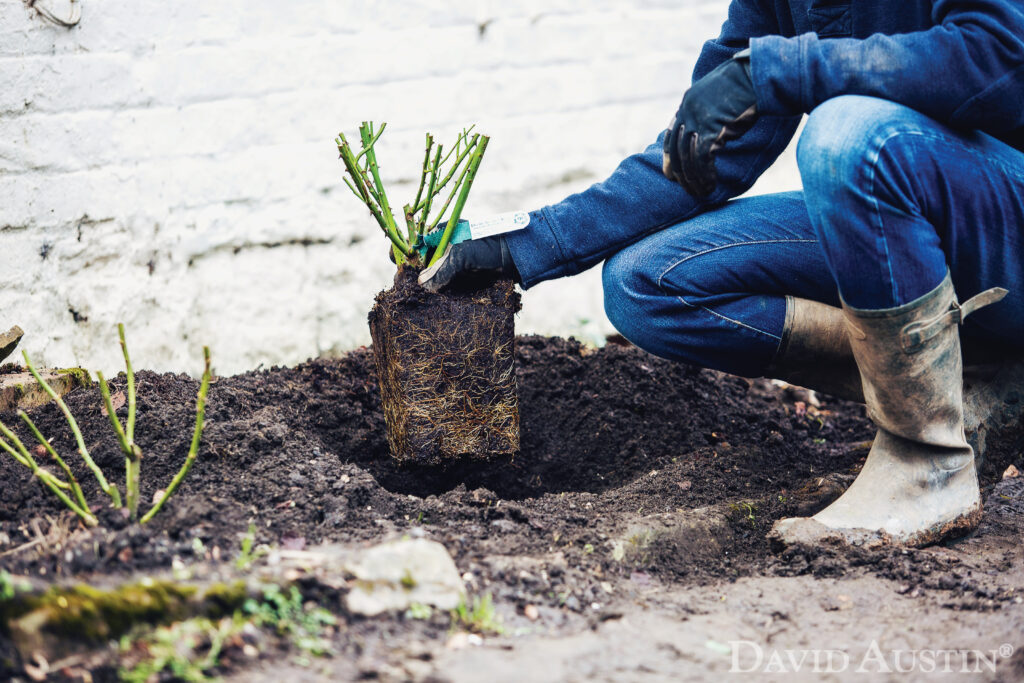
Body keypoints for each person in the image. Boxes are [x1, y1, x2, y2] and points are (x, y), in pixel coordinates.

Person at [418, 0, 1024, 548]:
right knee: (646, 280)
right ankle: (971, 387)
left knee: (847, 134)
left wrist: (784, 68)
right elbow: (699, 156)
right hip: (915, 244)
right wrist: (528, 238)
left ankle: (929, 463)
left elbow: (999, 54)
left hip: (1008, 231)